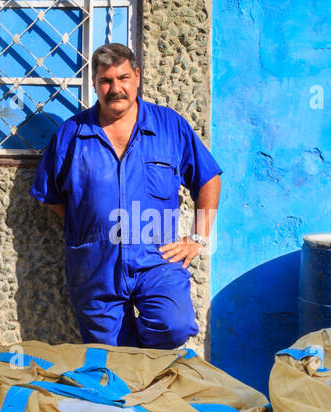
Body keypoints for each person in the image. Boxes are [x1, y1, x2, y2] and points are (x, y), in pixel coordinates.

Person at [30, 42, 221, 349]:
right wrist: (90, 226)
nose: (115, 88)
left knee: (174, 325)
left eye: (123, 78)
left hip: (157, 259)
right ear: (94, 84)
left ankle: (147, 363)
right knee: (112, 358)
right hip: (95, 265)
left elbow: (208, 178)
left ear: (137, 77)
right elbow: (51, 195)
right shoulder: (71, 134)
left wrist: (198, 238)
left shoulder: (169, 126)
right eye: (106, 80)